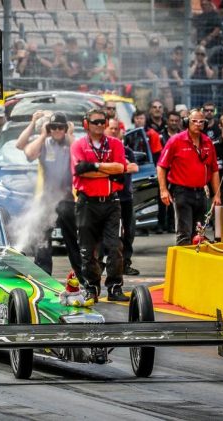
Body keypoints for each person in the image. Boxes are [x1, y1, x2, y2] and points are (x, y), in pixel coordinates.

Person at [71, 108, 136, 302]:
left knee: (115, 246)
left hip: (111, 202)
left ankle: (115, 287)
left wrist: (94, 166)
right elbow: (80, 170)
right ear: (86, 124)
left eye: (102, 122)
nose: (99, 125)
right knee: (87, 249)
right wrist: (108, 170)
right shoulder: (78, 145)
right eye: (95, 122)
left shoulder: (115, 144)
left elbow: (120, 168)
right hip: (86, 203)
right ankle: (91, 287)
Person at [20, 111, 81, 280]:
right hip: (47, 200)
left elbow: (80, 156)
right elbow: (29, 154)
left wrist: (70, 134)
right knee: (42, 238)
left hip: (67, 199)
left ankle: (83, 275)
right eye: (53, 127)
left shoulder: (71, 144)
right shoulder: (44, 143)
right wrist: (42, 134)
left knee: (73, 239)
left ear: (66, 128)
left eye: (61, 127)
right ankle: (43, 274)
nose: (57, 130)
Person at [157, 109, 221, 245]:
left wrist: (217, 195)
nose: (198, 124)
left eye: (201, 122)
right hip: (182, 192)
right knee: (184, 233)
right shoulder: (175, 141)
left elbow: (214, 170)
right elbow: (161, 166)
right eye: (194, 121)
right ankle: (183, 258)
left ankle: (196, 258)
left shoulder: (208, 142)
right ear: (187, 122)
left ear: (205, 124)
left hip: (201, 192)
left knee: (199, 235)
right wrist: (163, 190)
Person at [108, 118, 140, 276]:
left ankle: (125, 263)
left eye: (117, 129)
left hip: (126, 198)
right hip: (108, 196)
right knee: (108, 233)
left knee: (129, 232)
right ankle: (105, 264)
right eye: (111, 128)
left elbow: (134, 167)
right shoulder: (103, 151)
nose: (114, 131)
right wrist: (123, 167)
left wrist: (119, 167)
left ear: (122, 132)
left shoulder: (128, 151)